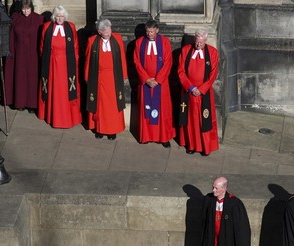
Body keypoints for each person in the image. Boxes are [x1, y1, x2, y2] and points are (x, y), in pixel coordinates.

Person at [36, 5, 80, 129]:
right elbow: (42, 47)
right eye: (58, 16)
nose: (60, 19)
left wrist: (75, 62)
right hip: (52, 65)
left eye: (62, 16)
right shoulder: (46, 27)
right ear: (54, 17)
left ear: (65, 17)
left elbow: (76, 46)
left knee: (67, 91)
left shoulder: (71, 27)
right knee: (52, 89)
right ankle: (52, 116)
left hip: (67, 65)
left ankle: (67, 118)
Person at [177, 30, 219, 156]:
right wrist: (190, 87)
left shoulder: (212, 52)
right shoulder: (185, 51)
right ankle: (191, 145)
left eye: (201, 42)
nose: (198, 45)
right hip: (189, 92)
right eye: (196, 42)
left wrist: (200, 89)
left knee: (203, 120)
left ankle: (205, 147)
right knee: (190, 120)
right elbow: (180, 71)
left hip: (203, 93)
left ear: (205, 41)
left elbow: (213, 74)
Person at [133, 19, 173, 147]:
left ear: (157, 30)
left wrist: (158, 80)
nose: (149, 34)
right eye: (147, 31)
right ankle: (146, 136)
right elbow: (137, 62)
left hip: (160, 84)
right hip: (146, 83)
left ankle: (163, 137)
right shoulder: (139, 43)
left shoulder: (165, 42)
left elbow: (168, 62)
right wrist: (146, 79)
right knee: (146, 110)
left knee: (162, 111)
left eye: (151, 31)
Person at [85, 19, 127, 140]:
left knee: (113, 105)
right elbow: (88, 60)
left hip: (114, 78)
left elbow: (122, 58)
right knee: (99, 105)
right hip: (98, 78)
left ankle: (112, 130)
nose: (108, 32)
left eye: (109, 29)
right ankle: (99, 129)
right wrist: (87, 77)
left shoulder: (117, 38)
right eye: (105, 30)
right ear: (99, 32)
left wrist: (124, 75)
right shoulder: (92, 41)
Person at [3, 0, 42, 111]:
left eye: (28, 9)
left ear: (32, 8)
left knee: (32, 79)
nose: (26, 12)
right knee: (20, 78)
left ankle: (32, 104)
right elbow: (11, 37)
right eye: (24, 9)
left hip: (33, 55)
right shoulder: (15, 18)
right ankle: (20, 102)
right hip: (19, 54)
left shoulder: (38, 19)